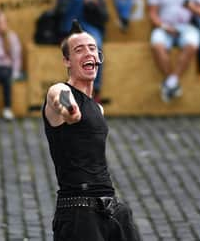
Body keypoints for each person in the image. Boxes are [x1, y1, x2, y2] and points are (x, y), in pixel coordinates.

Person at [43, 20, 141, 241]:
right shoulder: (59, 90)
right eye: (79, 50)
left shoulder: (98, 108)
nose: (88, 52)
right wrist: (68, 108)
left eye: (92, 48)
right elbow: (59, 97)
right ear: (67, 61)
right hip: (78, 214)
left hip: (112, 210)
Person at [148, 0, 200, 102]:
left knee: (192, 44)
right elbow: (152, 14)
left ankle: (171, 82)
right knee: (156, 44)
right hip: (164, 26)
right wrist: (163, 26)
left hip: (186, 26)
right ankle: (172, 82)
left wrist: (191, 7)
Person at [56, 0, 108, 96]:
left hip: (90, 28)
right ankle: (76, 89)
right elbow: (60, 13)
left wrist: (93, 2)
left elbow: (104, 16)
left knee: (96, 48)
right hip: (70, 28)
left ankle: (95, 88)